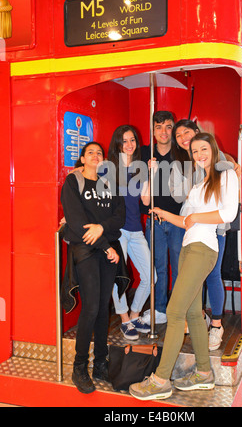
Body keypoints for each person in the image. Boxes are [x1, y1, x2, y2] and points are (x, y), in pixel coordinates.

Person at [129, 132, 239, 401]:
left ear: (213, 149)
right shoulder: (199, 186)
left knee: (175, 312)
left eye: (204, 149)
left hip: (204, 248)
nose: (200, 154)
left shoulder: (225, 176)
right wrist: (164, 214)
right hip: (189, 248)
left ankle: (160, 380)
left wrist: (195, 217)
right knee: (190, 313)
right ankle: (204, 373)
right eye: (195, 151)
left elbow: (228, 213)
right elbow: (185, 221)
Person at [61, 142, 126, 394]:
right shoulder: (73, 182)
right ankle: (80, 366)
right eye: (91, 153)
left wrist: (102, 229)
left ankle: (100, 362)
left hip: (107, 249)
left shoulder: (109, 183)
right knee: (91, 307)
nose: (96, 156)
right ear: (83, 159)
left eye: (100, 153)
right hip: (87, 250)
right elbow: (77, 222)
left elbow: (118, 218)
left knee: (103, 308)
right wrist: (104, 243)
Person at [170, 118, 240, 350]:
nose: (183, 138)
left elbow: (229, 196)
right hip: (191, 230)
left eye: (186, 132)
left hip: (215, 229)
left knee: (212, 274)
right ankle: (199, 318)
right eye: (178, 135)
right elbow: (183, 197)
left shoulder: (222, 161)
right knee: (193, 277)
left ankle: (217, 326)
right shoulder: (186, 163)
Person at [108, 125, 154, 340]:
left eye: (132, 140)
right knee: (119, 277)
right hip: (117, 231)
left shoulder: (140, 168)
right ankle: (124, 319)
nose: (129, 145)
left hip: (136, 230)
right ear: (118, 143)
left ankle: (135, 314)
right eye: (124, 141)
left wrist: (151, 175)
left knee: (150, 277)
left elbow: (145, 200)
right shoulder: (108, 168)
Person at [140, 111, 185, 325]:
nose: (163, 131)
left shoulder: (181, 153)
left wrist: (231, 162)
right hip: (154, 221)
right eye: (158, 127)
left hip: (178, 222)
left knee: (178, 267)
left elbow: (211, 155)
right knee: (157, 268)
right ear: (153, 130)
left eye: (168, 126)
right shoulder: (144, 153)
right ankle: (159, 309)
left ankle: (176, 310)